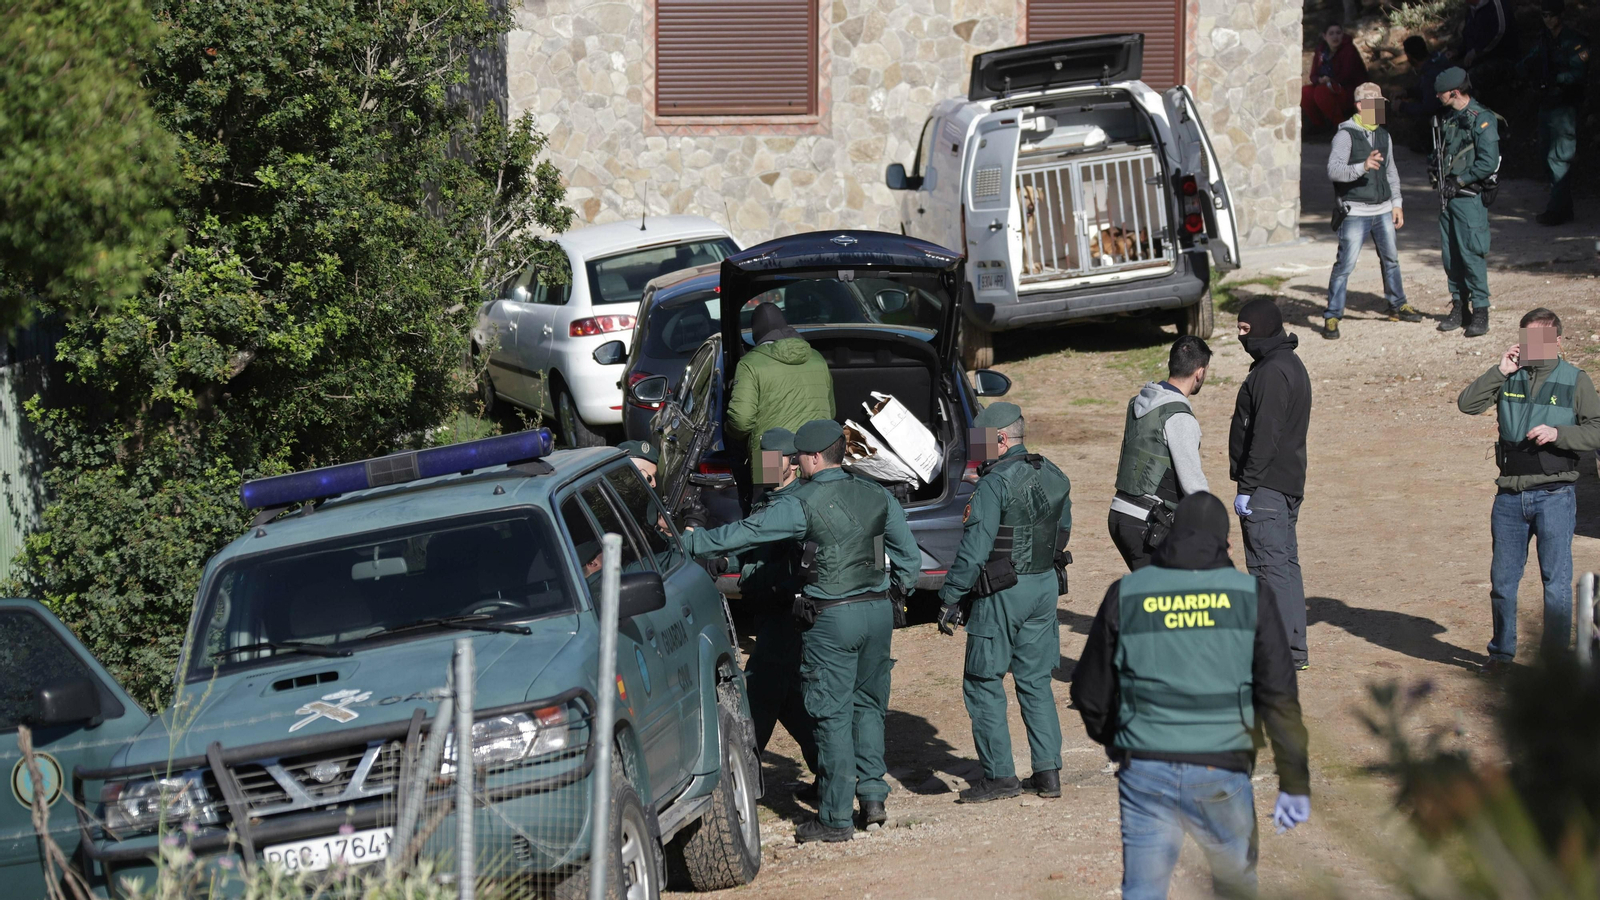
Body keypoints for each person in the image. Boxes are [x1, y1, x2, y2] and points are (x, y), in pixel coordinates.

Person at [679, 418, 919, 842]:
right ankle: (873, 796)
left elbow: (749, 533)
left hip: (832, 617)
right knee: (868, 708)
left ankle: (835, 818)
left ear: (807, 458)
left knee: (831, 714)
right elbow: (906, 556)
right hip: (878, 613)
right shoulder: (876, 493)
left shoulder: (800, 502)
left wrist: (692, 544)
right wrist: (893, 593)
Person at [1070, 492, 1311, 900]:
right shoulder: (1250, 596)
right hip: (1222, 769)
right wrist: (1295, 781)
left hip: (1145, 768)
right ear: (1226, 543)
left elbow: (1089, 693)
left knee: (1143, 891)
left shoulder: (1126, 593)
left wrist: (1121, 743)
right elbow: (1279, 697)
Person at [934, 402, 1073, 803]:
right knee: (1035, 680)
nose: (976, 452)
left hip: (1001, 592)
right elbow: (1062, 530)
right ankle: (1048, 774)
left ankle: (999, 777)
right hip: (1044, 586)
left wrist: (950, 598)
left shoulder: (994, 484)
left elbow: (975, 549)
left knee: (982, 680)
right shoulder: (1053, 471)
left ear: (1000, 439)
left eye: (980, 442)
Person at [1456, 308, 1600, 673]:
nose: (1530, 347)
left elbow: (1597, 429)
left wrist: (1559, 434)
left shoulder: (1575, 380)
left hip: (1554, 495)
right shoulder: (1510, 376)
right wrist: (1499, 370)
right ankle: (1501, 655)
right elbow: (1467, 404)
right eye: (1526, 339)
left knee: (1555, 584)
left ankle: (1552, 667)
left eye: (1539, 340)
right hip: (1509, 496)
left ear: (1557, 342)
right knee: (1503, 583)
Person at [723, 428, 820, 784]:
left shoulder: (797, 504)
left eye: (769, 460)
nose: (761, 467)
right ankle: (829, 773)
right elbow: (752, 541)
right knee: (790, 700)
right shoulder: (767, 499)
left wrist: (748, 570)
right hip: (768, 612)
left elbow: (795, 563)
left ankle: (743, 781)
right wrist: (727, 560)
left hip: (786, 611)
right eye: (758, 460)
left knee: (760, 693)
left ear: (792, 463)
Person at [1230, 299, 1312, 670]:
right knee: (1284, 566)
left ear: (1262, 327)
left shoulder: (1271, 372)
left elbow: (1265, 437)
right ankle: (1294, 652)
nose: (1239, 336)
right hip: (1286, 484)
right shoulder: (1287, 364)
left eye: (1245, 329)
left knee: (1267, 569)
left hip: (1266, 490)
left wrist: (1247, 485)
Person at [1324, 83, 1422, 340]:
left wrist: (1397, 203)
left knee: (1391, 260)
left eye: (1382, 103)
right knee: (1345, 265)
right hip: (1355, 212)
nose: (1380, 109)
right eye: (1375, 104)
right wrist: (1362, 167)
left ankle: (1398, 304)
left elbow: (1391, 172)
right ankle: (1332, 315)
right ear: (1360, 106)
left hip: (1383, 210)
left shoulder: (1383, 135)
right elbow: (1334, 170)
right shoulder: (1345, 135)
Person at [1108, 336, 1213, 570]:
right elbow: (1192, 482)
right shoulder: (1179, 417)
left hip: (1120, 514)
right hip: (1148, 523)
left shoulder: (1140, 401)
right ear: (1199, 372)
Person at [1432, 67, 1500, 339]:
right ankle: (1460, 307)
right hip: (1448, 199)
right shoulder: (1447, 119)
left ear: (1455, 92)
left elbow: (1488, 162)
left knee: (1472, 253)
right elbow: (1443, 152)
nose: (1438, 97)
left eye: (1441, 93)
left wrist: (1459, 181)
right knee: (1451, 256)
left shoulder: (1481, 119)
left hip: (1468, 198)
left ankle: (1481, 309)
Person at [725, 302, 835, 461]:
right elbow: (831, 411)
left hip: (769, 456)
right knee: (814, 486)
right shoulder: (817, 358)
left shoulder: (749, 364)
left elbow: (741, 421)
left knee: (769, 485)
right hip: (816, 453)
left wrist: (729, 431)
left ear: (757, 334)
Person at [1518, 0, 1589, 226]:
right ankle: (1562, 206)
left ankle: (1557, 210)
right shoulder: (1545, 40)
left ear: (1560, 15)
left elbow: (1578, 74)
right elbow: (1530, 60)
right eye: (1544, 15)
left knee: (1559, 157)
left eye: (1551, 15)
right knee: (1545, 155)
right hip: (1547, 103)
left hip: (1565, 105)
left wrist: (1556, 80)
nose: (1547, 19)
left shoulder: (1574, 41)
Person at [1302, 23, 1369, 131]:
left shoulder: (1349, 49)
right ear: (1325, 36)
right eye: (1331, 33)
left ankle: (1341, 125)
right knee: (1305, 92)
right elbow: (1313, 75)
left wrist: (1330, 81)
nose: (1335, 37)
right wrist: (1319, 80)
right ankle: (1319, 126)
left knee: (1321, 91)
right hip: (1329, 87)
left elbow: (1347, 75)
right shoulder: (1321, 51)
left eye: (1338, 33)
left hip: (1350, 91)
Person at [1398, 36, 1453, 152]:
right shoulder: (1437, 62)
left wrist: (1402, 107)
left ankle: (1428, 147)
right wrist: (1409, 92)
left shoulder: (1430, 75)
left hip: (1446, 117)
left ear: (1410, 57)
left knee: (1418, 118)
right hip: (1453, 109)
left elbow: (1428, 108)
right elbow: (1426, 90)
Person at [1457, 0, 1520, 98]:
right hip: (1480, 59)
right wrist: (1457, 52)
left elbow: (1499, 32)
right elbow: (1468, 36)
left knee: (1469, 78)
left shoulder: (1496, 4)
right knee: (1453, 73)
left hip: (1503, 57)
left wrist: (1476, 51)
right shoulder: (1471, 11)